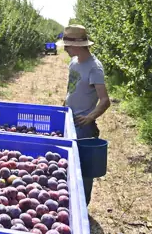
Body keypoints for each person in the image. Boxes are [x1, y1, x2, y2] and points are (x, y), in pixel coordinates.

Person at [57, 24, 111, 206]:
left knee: (84, 168)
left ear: (79, 45)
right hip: (69, 120)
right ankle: (69, 200)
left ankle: (82, 204)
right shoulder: (74, 63)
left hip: (83, 126)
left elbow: (104, 100)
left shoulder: (94, 68)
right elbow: (71, 88)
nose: (64, 48)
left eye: (67, 45)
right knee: (67, 164)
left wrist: (90, 117)